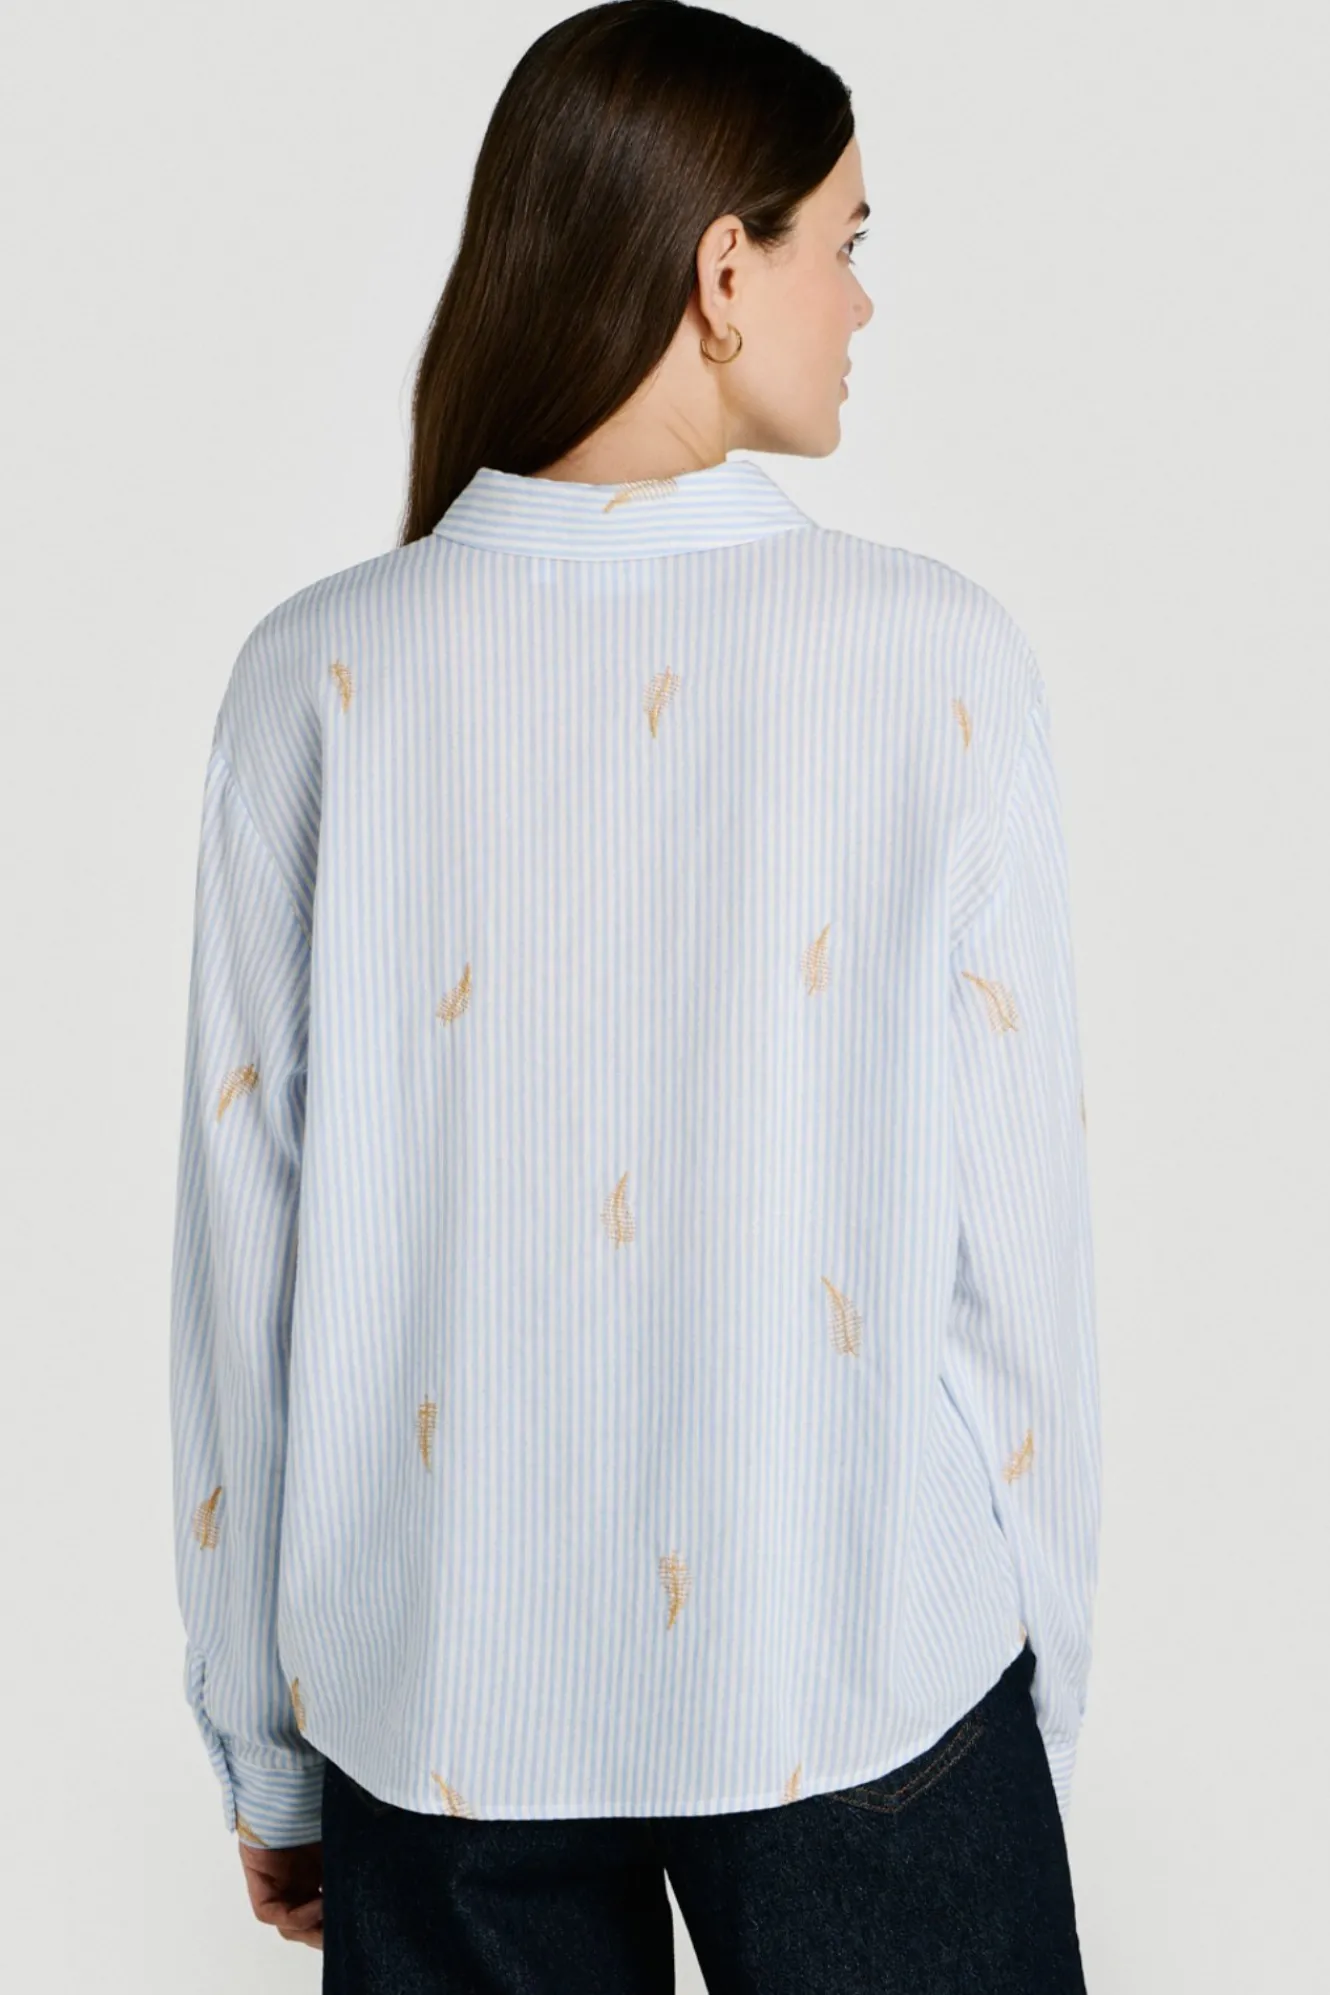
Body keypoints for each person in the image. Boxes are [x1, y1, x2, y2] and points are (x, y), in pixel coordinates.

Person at [168, 3, 1101, 1988]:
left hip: (442, 1709)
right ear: (719, 269)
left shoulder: (320, 675)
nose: (862, 302)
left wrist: (268, 1747)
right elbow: (1013, 1254)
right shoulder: (934, 659)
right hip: (867, 1678)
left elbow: (247, 1261)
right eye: (843, 241)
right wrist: (1043, 1677)